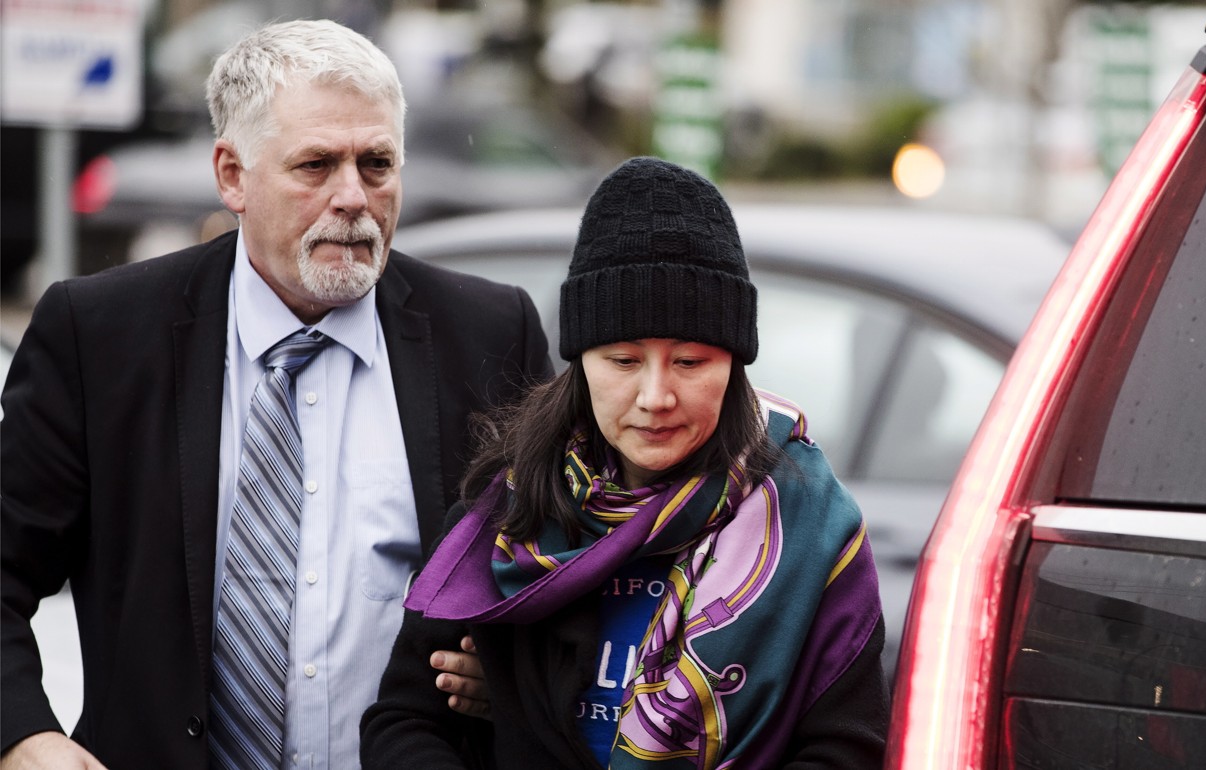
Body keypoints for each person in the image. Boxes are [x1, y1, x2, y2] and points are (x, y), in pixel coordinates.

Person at [0, 19, 550, 769]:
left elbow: (562, 569)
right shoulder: (99, 336)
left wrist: (517, 671)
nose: (354, 197)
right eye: (317, 164)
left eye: (377, 163)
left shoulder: (490, 332)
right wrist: (24, 737)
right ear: (233, 175)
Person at [361, 157, 890, 768]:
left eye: (690, 362)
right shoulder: (508, 517)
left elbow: (846, 749)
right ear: (581, 362)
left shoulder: (812, 531)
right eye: (622, 360)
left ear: (735, 365)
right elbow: (402, 723)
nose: (655, 397)